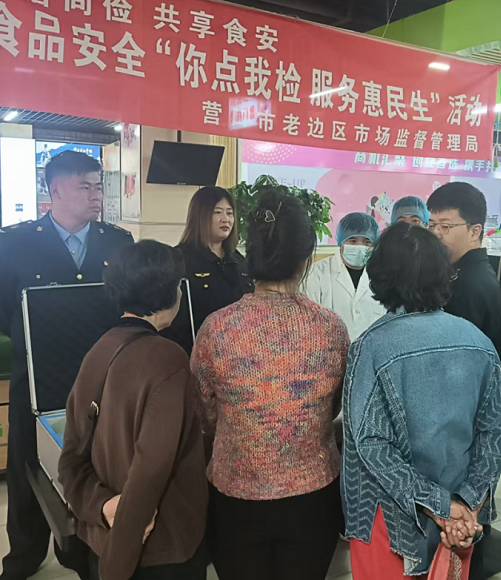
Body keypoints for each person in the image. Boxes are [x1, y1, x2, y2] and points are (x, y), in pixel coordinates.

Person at [0, 151, 133, 580]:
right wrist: (37, 346)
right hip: (36, 379)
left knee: (95, 465)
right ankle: (24, 555)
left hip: (101, 379)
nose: (96, 194)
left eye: (98, 186)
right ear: (55, 191)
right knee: (27, 468)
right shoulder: (16, 243)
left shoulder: (118, 243)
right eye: (85, 186)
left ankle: (81, 553)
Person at [191, 190, 350, 580]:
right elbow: (333, 407)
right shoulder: (331, 329)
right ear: (306, 258)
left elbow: (204, 414)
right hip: (313, 497)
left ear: (251, 255)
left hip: (235, 497)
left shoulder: (216, 328)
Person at [342, 222, 501, 580]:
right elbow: (498, 431)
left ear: (381, 277)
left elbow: (372, 445)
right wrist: (465, 502)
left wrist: (440, 505)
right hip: (460, 518)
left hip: (389, 518)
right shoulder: (477, 341)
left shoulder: (371, 347)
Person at [58, 241, 208, 580]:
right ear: (170, 292)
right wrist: (117, 565)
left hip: (102, 538)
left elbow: (69, 461)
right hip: (157, 550)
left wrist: (101, 506)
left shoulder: (98, 350)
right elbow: (149, 471)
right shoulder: (168, 361)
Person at [161, 186, 253, 355]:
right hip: (194, 353)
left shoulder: (238, 260)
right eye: (218, 212)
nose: (226, 219)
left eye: (230, 213)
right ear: (200, 216)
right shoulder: (178, 259)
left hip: (238, 354)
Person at [427, 182, 501, 354]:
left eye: (445, 227)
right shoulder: (458, 271)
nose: (436, 234)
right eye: (432, 225)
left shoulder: (470, 283)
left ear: (474, 232)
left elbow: (458, 355)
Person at [304, 212, 386, 340]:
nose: (360, 247)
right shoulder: (316, 273)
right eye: (352, 241)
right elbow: (308, 320)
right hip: (329, 349)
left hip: (372, 349)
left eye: (367, 242)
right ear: (341, 241)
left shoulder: (384, 276)